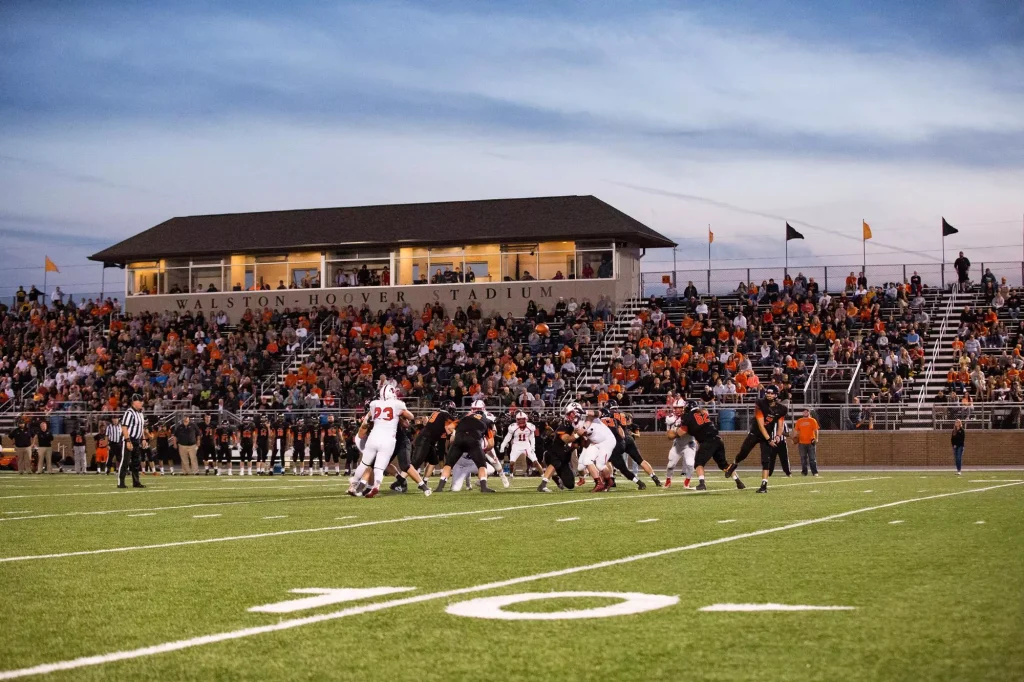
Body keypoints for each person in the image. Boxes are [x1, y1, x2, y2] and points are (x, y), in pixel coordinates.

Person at [725, 385, 788, 492]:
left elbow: (780, 425)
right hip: (756, 433)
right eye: (768, 393)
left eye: (771, 393)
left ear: (776, 395)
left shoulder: (781, 409)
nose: (769, 395)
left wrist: (777, 436)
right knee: (743, 453)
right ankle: (734, 464)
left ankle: (764, 485)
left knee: (766, 460)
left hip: (767, 435)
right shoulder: (760, 403)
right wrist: (769, 440)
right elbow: (760, 425)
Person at [669, 400, 743, 491]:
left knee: (698, 463)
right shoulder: (703, 413)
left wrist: (673, 430)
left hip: (708, 441)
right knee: (724, 465)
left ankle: (701, 484)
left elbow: (681, 433)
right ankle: (739, 482)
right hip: (718, 439)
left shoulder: (688, 417)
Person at [434, 400, 498, 494]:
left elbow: (450, 427)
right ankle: (484, 487)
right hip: (473, 441)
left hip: (459, 439)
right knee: (482, 465)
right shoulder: (487, 421)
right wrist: (483, 449)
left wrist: (456, 434)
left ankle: (440, 487)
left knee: (448, 464)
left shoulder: (464, 417)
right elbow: (491, 444)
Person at [664, 398, 697, 488]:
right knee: (670, 465)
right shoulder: (670, 419)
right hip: (678, 444)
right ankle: (668, 480)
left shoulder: (689, 417)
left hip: (689, 444)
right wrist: (676, 432)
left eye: (680, 407)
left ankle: (687, 482)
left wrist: (678, 431)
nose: (677, 410)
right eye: (676, 408)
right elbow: (669, 436)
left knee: (690, 464)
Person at [117, 394, 147, 489]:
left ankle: (136, 482)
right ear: (134, 402)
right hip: (129, 439)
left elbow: (141, 427)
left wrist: (143, 439)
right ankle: (120, 482)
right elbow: (124, 427)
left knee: (136, 463)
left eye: (142, 401)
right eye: (139, 401)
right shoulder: (129, 412)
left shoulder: (140, 413)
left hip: (137, 440)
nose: (142, 403)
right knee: (125, 462)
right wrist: (127, 441)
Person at [500, 411, 540, 476]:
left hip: (520, 443)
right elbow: (507, 435)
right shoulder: (512, 425)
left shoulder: (529, 425)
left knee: (530, 457)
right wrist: (504, 443)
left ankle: (527, 470)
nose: (521, 420)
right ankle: (506, 470)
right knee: (507, 456)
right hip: (513, 442)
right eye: (519, 419)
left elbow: (533, 436)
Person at [793, 408, 820, 476]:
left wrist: (816, 438)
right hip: (802, 442)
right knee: (803, 458)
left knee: (812, 458)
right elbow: (796, 431)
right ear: (802, 413)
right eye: (804, 412)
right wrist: (793, 438)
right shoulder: (799, 421)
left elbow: (816, 430)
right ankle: (804, 472)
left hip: (811, 442)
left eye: (806, 412)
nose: (805, 413)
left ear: (809, 413)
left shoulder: (812, 420)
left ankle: (815, 472)